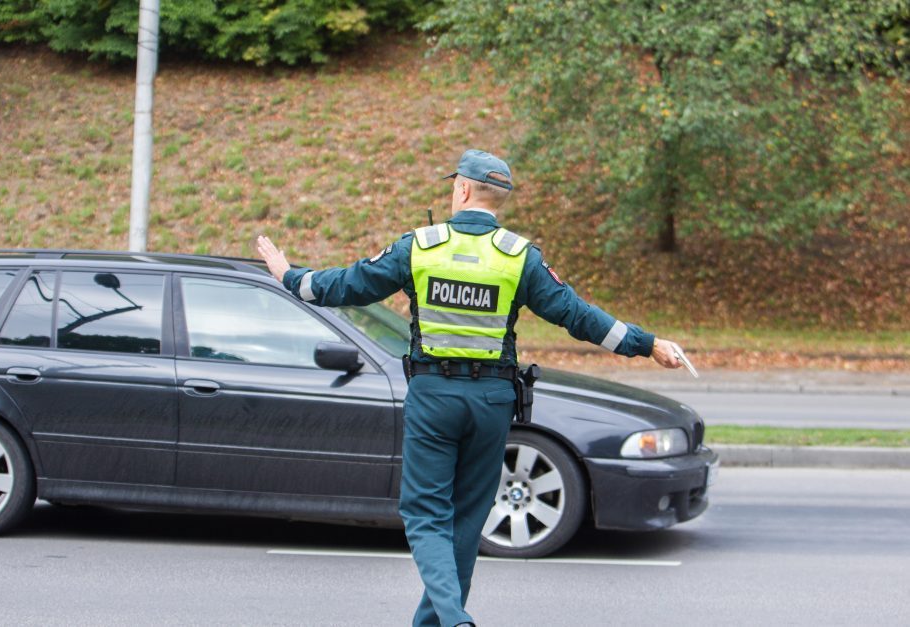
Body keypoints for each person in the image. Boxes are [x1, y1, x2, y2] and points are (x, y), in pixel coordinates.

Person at [256, 149, 683, 627]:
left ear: (461, 189)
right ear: (498, 199)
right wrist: (648, 344)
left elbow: (347, 286)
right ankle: (437, 622)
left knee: (423, 513)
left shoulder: (419, 246)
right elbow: (579, 317)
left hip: (434, 398)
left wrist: (290, 276)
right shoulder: (520, 257)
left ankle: (455, 619)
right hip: (493, 402)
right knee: (466, 520)